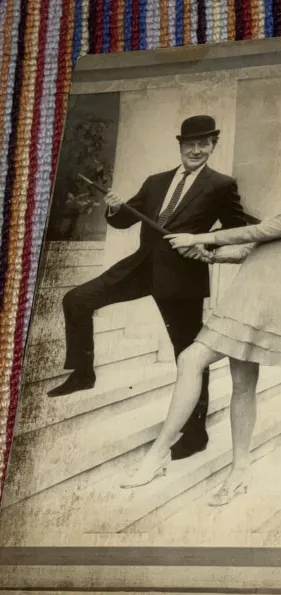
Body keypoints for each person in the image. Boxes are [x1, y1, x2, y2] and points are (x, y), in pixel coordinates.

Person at [120, 150, 281, 504]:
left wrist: (198, 237)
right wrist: (207, 254)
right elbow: (248, 248)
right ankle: (240, 471)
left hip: (266, 301)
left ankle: (158, 454)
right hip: (249, 295)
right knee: (243, 385)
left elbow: (260, 230)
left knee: (191, 360)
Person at [47, 115, 252, 461]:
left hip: (182, 277)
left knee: (187, 357)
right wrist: (113, 208)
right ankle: (83, 373)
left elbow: (236, 229)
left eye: (204, 144)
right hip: (141, 267)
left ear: (213, 145)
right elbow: (125, 219)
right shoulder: (156, 182)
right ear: (181, 146)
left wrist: (203, 246)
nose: (197, 150)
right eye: (191, 144)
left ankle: (195, 433)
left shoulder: (221, 185)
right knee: (76, 299)